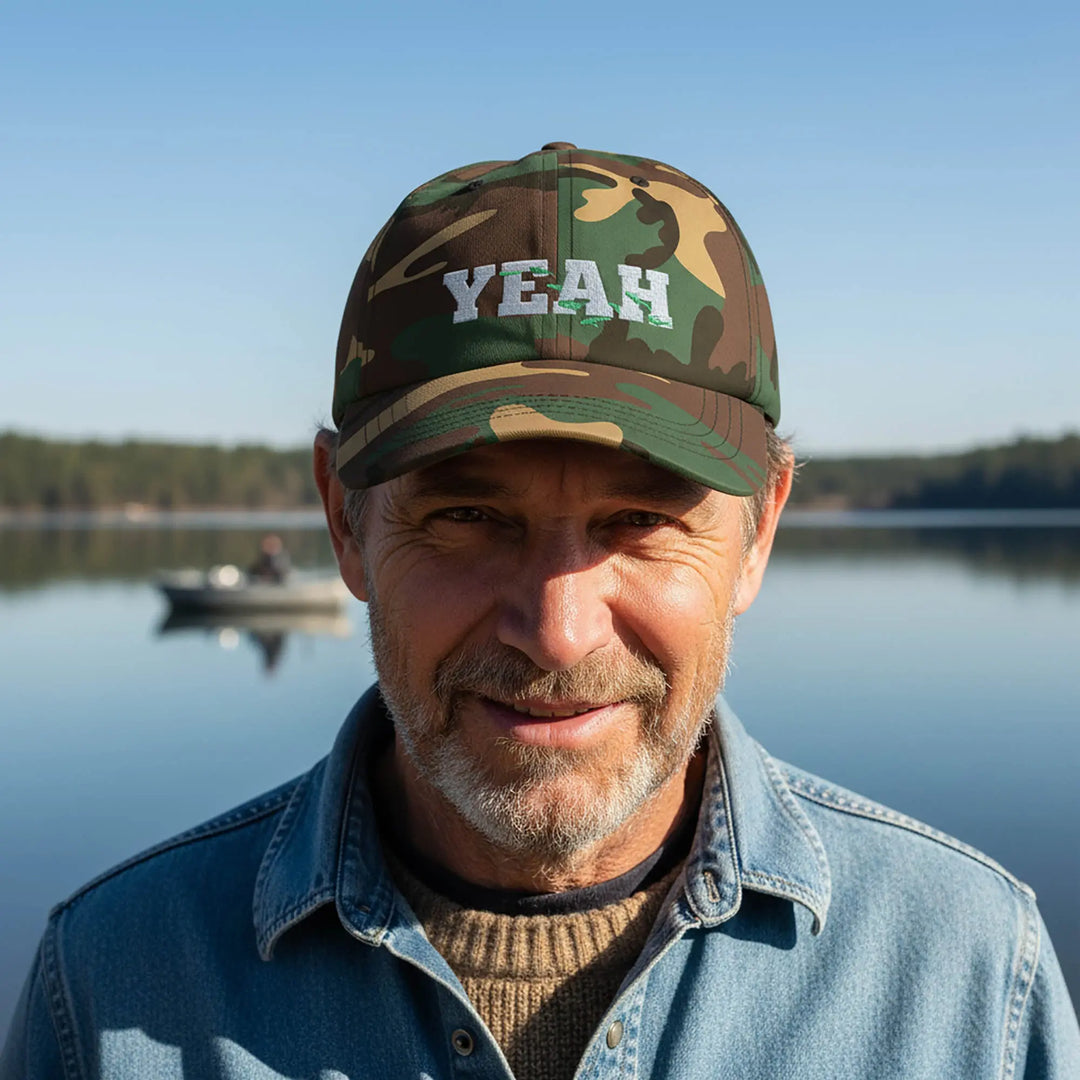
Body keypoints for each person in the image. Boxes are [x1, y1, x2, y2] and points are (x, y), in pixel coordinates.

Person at [3, 142, 1077, 1080]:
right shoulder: (112, 983)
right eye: (469, 514)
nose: (557, 630)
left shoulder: (971, 976)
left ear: (761, 529)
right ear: (344, 521)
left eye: (641, 521)